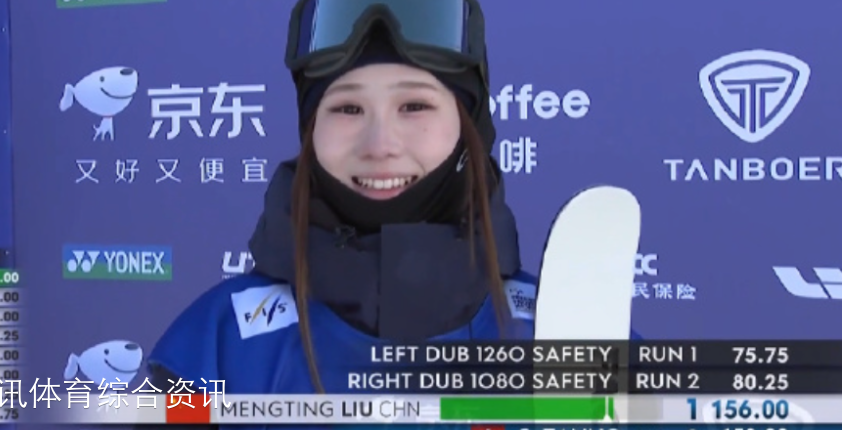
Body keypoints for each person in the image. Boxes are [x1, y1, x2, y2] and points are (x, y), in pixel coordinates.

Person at [144, 1, 635, 427]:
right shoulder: (212, 348)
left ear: (468, 126)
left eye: (414, 105)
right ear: (311, 131)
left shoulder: (572, 332)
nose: (380, 144)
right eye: (347, 109)